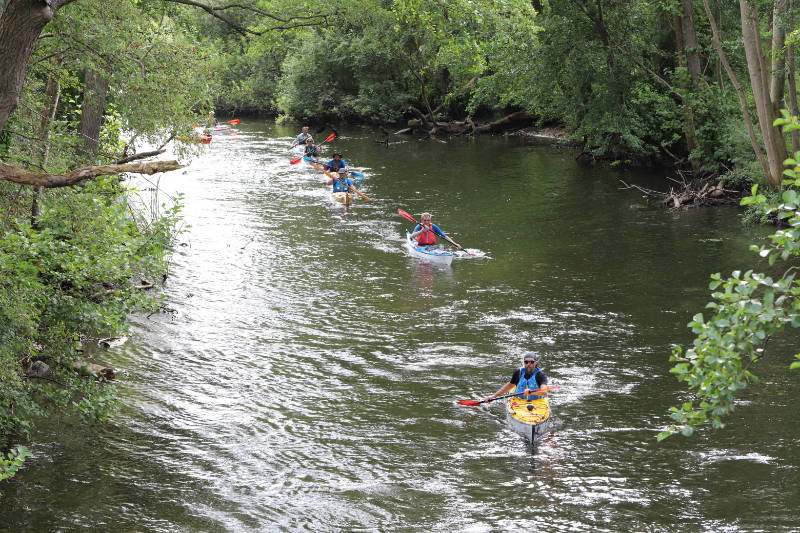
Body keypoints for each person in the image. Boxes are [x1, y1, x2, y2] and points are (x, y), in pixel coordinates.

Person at [484, 352, 549, 403]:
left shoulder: (541, 375)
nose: (528, 364)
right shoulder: (518, 372)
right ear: (524, 363)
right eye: (526, 362)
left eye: (531, 362)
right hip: (519, 400)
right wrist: (493, 396)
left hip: (538, 401)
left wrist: (532, 392)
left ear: (535, 363)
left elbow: (544, 391)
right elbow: (509, 386)